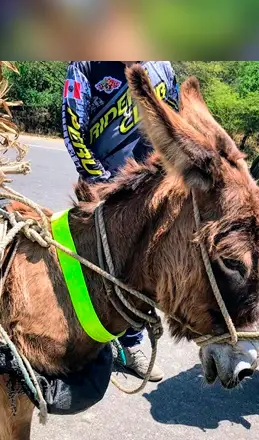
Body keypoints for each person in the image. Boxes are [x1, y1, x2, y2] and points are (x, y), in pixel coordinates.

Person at [61, 60, 179, 382]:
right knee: (92, 267)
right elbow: (73, 126)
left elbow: (173, 128)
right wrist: (101, 183)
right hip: (100, 188)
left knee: (139, 270)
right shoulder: (87, 64)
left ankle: (130, 344)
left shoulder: (163, 69)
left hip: (147, 193)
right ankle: (83, 338)